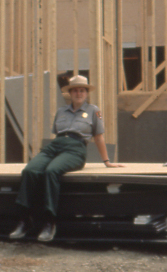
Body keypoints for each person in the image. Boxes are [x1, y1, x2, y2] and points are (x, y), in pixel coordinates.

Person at [10, 74, 124, 242]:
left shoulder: (94, 111)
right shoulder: (61, 111)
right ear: (70, 93)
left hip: (76, 148)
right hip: (56, 145)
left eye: (82, 90)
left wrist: (107, 162)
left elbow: (99, 137)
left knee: (52, 171)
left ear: (86, 93)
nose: (79, 93)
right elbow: (57, 133)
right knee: (30, 170)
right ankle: (24, 219)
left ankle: (49, 222)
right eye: (75, 90)